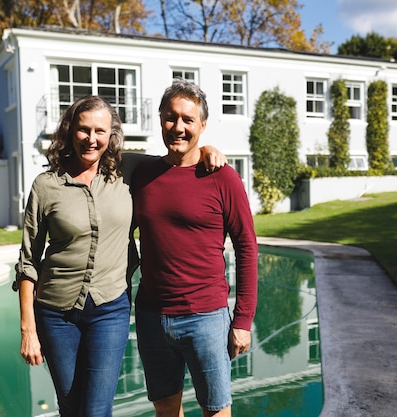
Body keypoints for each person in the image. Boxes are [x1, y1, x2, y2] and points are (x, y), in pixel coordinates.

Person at [13, 95, 225, 417]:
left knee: (97, 409)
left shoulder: (127, 171)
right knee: (71, 407)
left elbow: (176, 156)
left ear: (111, 136)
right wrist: (28, 329)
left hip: (109, 307)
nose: (92, 138)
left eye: (101, 131)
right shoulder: (46, 186)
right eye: (84, 130)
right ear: (71, 131)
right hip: (55, 313)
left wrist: (208, 150)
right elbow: (28, 261)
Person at [132, 79, 258, 417]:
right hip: (151, 316)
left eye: (189, 120)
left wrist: (243, 319)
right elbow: (106, 152)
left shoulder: (221, 177)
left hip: (205, 318)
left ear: (202, 125)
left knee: (216, 411)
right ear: (160, 120)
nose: (179, 127)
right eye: (171, 117)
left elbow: (246, 246)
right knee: (165, 410)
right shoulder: (142, 174)